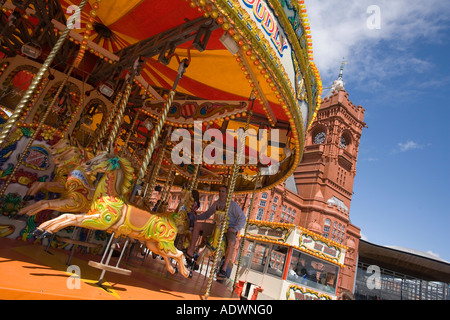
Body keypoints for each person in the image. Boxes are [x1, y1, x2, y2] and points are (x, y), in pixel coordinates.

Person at [186, 185, 246, 279]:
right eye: (220, 191)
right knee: (197, 225)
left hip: (228, 229)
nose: (221, 193)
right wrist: (195, 217)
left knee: (231, 242)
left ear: (227, 193)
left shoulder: (233, 205)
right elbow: (207, 214)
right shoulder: (216, 203)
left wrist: (234, 228)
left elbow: (242, 218)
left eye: (223, 191)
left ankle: (224, 267)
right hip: (216, 226)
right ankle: (190, 251)